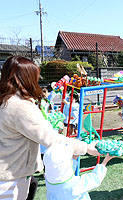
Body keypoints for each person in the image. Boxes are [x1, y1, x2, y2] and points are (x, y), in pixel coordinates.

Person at [0, 56, 100, 199]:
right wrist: (87, 148)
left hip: (7, 170)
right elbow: (51, 139)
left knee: (32, 185)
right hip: (10, 178)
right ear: (22, 79)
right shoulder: (20, 107)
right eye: (34, 77)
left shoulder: (5, 100)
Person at [43, 143, 114, 199]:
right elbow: (95, 178)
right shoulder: (74, 185)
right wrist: (105, 161)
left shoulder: (49, 180)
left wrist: (74, 158)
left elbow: (64, 171)